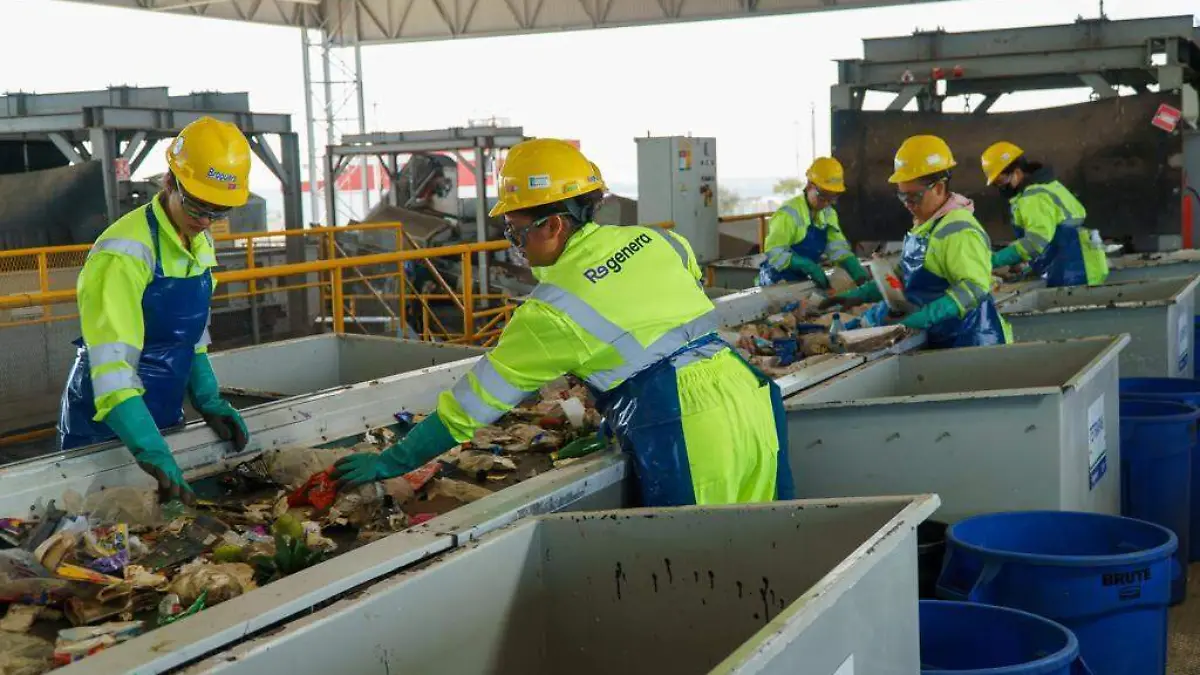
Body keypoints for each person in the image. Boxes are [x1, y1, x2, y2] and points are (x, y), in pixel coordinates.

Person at [332, 138, 794, 507]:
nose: (516, 244)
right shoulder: (660, 241)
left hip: (686, 428)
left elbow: (469, 408)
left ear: (553, 225)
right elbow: (663, 325)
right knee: (771, 545)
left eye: (516, 231)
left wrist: (394, 460)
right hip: (749, 396)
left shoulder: (552, 312)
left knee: (706, 574)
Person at [57, 116, 252, 504]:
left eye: (218, 212)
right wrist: (151, 448)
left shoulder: (200, 243)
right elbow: (112, 374)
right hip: (104, 430)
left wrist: (208, 398)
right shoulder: (123, 254)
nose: (206, 222)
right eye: (198, 208)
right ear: (169, 182)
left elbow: (191, 337)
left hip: (163, 417)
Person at [820, 135, 1009, 349]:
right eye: (902, 196)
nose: (907, 204)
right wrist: (857, 296)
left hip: (972, 342)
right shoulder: (926, 224)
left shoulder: (959, 231)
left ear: (938, 187)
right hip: (940, 338)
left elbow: (974, 288)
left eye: (914, 197)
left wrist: (922, 318)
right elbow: (904, 276)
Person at [981, 141, 1109, 287]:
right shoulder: (1046, 186)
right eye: (996, 183)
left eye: (1000, 180)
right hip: (1082, 263)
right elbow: (1049, 236)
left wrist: (996, 260)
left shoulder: (1033, 197)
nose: (1000, 186)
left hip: (1071, 270)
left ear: (1016, 172)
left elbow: (1035, 242)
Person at [758, 157, 870, 288]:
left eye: (832, 197)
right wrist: (805, 265)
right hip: (776, 280)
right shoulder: (788, 213)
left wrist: (852, 265)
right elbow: (773, 251)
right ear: (810, 185)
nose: (827, 203)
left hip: (802, 279)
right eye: (823, 196)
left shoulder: (828, 213)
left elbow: (837, 247)